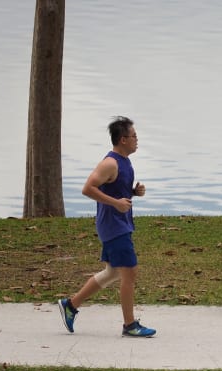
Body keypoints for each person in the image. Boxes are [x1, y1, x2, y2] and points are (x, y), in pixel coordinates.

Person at [57, 116, 156, 337]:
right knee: (130, 273)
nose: (137, 140)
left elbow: (113, 188)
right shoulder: (110, 162)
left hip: (119, 224)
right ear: (123, 139)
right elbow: (87, 188)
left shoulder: (124, 161)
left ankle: (70, 305)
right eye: (134, 136)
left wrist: (132, 192)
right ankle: (130, 325)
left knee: (112, 272)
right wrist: (116, 203)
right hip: (113, 226)